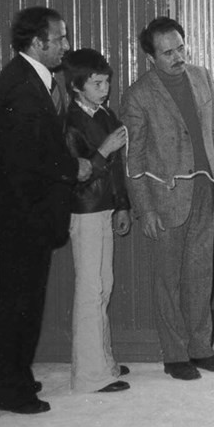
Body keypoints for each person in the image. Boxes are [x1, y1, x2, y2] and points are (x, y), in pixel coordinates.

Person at [0, 7, 92, 414]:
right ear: (36, 43)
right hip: (22, 214)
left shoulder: (31, 79)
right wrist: (74, 167)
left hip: (27, 212)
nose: (65, 44)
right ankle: (10, 390)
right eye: (59, 38)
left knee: (23, 301)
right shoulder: (22, 87)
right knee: (18, 305)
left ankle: (17, 376)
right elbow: (29, 156)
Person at [121, 16, 214, 381]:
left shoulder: (201, 77)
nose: (178, 57)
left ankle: (201, 348)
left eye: (181, 48)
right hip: (165, 197)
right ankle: (174, 355)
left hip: (205, 189)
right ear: (151, 57)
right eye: (168, 52)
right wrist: (145, 208)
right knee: (168, 280)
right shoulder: (138, 94)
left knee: (201, 275)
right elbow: (133, 158)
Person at [62, 48, 133, 394]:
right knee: (91, 289)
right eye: (97, 83)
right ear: (77, 86)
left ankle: (103, 362)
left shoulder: (105, 114)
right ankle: (89, 374)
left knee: (103, 284)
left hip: (104, 208)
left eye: (107, 81)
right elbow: (76, 175)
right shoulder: (69, 122)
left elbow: (117, 169)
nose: (105, 88)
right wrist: (104, 150)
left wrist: (122, 205)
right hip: (84, 210)